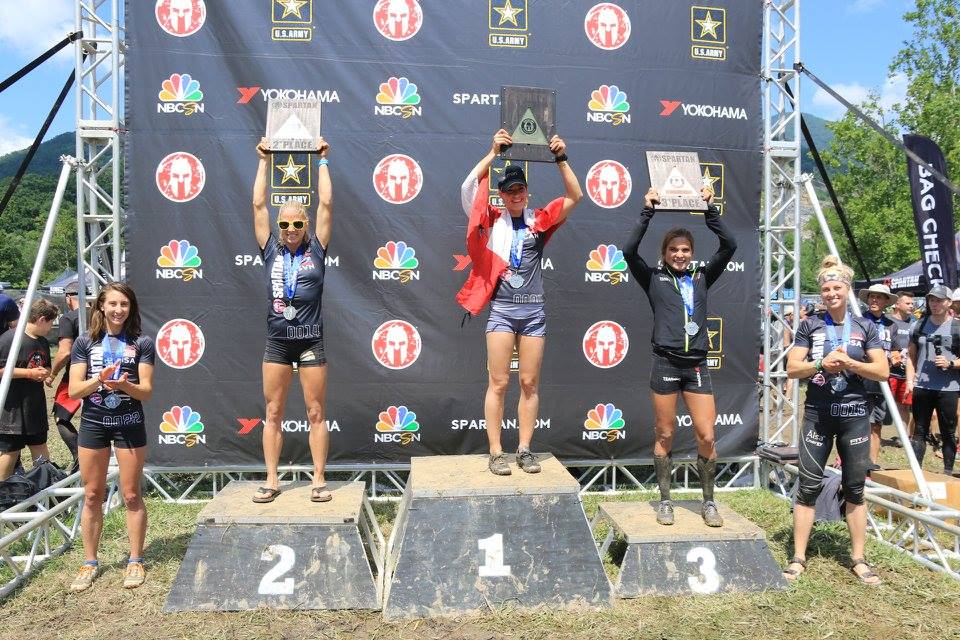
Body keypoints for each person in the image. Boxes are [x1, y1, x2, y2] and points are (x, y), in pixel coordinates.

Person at [457, 129, 582, 475]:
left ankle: (525, 449)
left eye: (520, 189)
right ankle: (496, 451)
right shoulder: (490, 219)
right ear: (501, 195)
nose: (516, 195)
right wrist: (492, 152)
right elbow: (468, 187)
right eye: (510, 191)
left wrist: (561, 158)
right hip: (502, 309)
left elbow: (575, 195)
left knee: (529, 383)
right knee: (498, 383)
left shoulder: (539, 220)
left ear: (527, 193)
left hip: (533, 311)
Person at [623, 184, 737, 527]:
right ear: (665, 253)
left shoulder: (702, 277)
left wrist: (708, 209)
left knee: (706, 435)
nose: (680, 254)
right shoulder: (654, 278)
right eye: (674, 249)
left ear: (692, 253)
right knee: (665, 435)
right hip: (666, 363)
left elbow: (730, 244)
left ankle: (709, 502)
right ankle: (665, 500)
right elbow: (629, 250)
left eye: (685, 249)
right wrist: (648, 211)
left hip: (697, 365)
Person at [783, 256, 888, 585]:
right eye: (826, 288)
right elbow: (791, 368)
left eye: (837, 287)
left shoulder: (865, 327)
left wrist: (851, 364)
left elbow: (883, 371)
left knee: (855, 489)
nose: (831, 293)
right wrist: (820, 365)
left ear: (848, 290)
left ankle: (858, 558)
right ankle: (798, 557)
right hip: (818, 415)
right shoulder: (809, 324)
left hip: (855, 415)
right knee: (808, 488)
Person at [251, 136, 332, 502]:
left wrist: (322, 161)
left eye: (297, 224)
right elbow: (257, 205)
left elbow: (327, 203)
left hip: (310, 338)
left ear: (306, 224)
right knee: (273, 411)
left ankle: (318, 480)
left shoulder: (316, 248)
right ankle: (271, 480)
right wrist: (264, 160)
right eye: (284, 225)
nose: (290, 231)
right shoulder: (271, 250)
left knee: (316, 411)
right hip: (278, 341)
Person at [68, 283, 154, 592]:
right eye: (113, 304)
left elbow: (146, 391)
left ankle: (135, 559)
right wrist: (99, 380)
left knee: (131, 494)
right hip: (93, 423)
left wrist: (125, 386)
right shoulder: (84, 342)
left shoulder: (142, 342)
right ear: (101, 306)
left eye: (125, 305)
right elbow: (75, 390)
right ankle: (89, 562)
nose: (119, 310)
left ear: (131, 309)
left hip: (129, 423)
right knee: (92, 494)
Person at [0, 299, 58, 480]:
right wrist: (29, 373)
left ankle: (45, 487)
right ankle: (3, 493)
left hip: (34, 407)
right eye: (50, 322)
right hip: (12, 409)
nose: (50, 328)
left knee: (40, 447)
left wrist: (45, 373)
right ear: (41, 319)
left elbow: (47, 367)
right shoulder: (10, 339)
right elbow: (1, 370)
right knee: (10, 451)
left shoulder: (42, 342)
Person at [906, 284, 959, 477]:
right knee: (919, 430)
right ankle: (915, 474)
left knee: (948, 432)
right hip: (922, 386)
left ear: (949, 302)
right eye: (931, 300)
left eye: (939, 300)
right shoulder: (918, 325)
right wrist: (910, 381)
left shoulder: (957, 326)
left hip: (949, 389)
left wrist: (951, 363)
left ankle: (947, 473)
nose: (934, 304)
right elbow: (911, 357)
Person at [856, 283, 900, 464]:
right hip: (861, 380)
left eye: (879, 297)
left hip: (882, 382)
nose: (874, 299)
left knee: (876, 424)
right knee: (858, 424)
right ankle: (854, 461)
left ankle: (872, 464)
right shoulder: (858, 320)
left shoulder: (891, 325)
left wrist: (897, 356)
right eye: (871, 296)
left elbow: (896, 350)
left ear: (886, 302)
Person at [46, 281, 83, 471]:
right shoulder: (100, 315)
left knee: (61, 417)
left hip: (76, 375)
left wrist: (52, 374)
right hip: (103, 375)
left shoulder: (69, 318)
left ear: (68, 298)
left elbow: (64, 352)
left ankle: (80, 459)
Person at [888, 291, 915, 438]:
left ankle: (903, 437)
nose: (911, 306)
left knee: (905, 406)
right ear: (897, 304)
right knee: (885, 405)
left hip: (907, 374)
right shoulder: (888, 322)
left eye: (912, 303)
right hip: (889, 372)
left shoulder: (915, 323)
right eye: (908, 303)